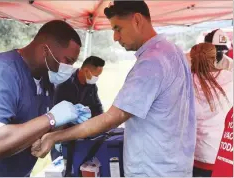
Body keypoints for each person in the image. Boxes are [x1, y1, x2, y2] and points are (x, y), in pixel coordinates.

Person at [31, 1, 196, 177]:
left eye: (118, 28)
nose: (115, 37)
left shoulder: (151, 63)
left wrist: (54, 137)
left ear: (137, 20)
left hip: (154, 171)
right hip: (176, 166)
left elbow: (112, 118)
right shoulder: (173, 51)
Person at [0, 20, 91, 177]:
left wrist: (64, 123)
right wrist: (51, 118)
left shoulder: (45, 81)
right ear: (45, 50)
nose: (70, 69)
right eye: (68, 61)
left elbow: (33, 127)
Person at [190, 43, 233, 177]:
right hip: (223, 154)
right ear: (216, 58)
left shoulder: (186, 81)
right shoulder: (229, 78)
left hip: (194, 155)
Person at [51, 55, 105, 160]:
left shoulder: (92, 87)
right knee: (63, 168)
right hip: (63, 135)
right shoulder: (65, 84)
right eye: (95, 75)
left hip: (82, 135)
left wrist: (102, 123)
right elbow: (56, 115)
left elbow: (97, 108)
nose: (96, 79)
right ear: (86, 71)